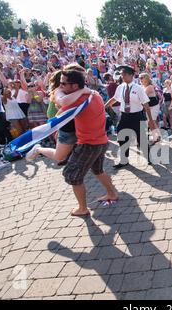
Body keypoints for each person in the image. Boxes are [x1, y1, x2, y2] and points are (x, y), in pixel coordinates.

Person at [59, 69, 118, 217]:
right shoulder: (94, 93)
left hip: (88, 144)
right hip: (101, 141)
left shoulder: (78, 99)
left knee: (72, 175)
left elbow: (59, 109)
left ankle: (82, 208)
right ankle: (112, 193)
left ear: (74, 86)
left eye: (63, 84)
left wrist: (60, 92)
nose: (60, 87)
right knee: (97, 170)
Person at [105, 65, 155, 169]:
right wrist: (104, 107)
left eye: (124, 74)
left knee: (142, 138)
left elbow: (146, 104)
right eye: (122, 74)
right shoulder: (120, 87)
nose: (122, 76)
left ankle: (149, 158)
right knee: (122, 137)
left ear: (131, 75)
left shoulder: (138, 88)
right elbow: (114, 98)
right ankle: (124, 160)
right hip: (124, 117)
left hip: (137, 116)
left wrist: (150, 120)